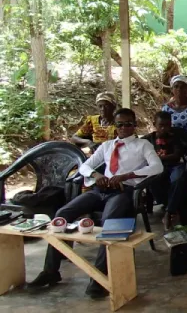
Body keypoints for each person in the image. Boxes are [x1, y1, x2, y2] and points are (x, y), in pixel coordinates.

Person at [28, 108, 163, 297]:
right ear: (115, 126)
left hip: (123, 191)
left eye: (128, 124)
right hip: (101, 190)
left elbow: (157, 167)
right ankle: (50, 271)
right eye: (120, 124)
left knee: (110, 224)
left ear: (135, 125)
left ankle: (99, 279)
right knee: (62, 214)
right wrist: (96, 175)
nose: (124, 128)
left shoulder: (143, 145)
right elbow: (84, 166)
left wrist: (127, 175)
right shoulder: (107, 145)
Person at [143, 111, 187, 230]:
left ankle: (168, 212)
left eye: (167, 125)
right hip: (157, 168)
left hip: (174, 166)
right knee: (153, 181)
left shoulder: (174, 137)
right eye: (161, 125)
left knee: (179, 178)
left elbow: (176, 156)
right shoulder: (148, 139)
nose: (164, 128)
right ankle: (171, 207)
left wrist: (156, 158)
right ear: (154, 124)